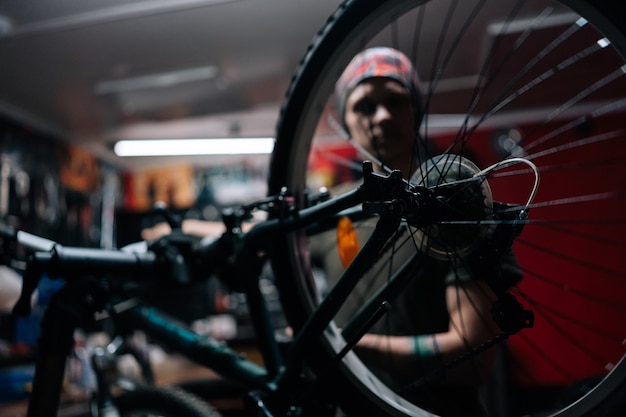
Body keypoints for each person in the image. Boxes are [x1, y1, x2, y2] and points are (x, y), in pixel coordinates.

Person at [142, 47, 521, 416]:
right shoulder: (337, 207)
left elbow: (473, 360)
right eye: (364, 106)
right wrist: (186, 228)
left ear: (415, 110)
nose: (383, 116)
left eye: (396, 100)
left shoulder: (456, 200)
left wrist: (343, 347)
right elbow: (264, 230)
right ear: (347, 122)